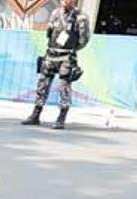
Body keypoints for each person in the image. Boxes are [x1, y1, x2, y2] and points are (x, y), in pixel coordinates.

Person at [21, 0, 90, 130]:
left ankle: (61, 117)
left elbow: (84, 39)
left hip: (66, 56)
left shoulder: (81, 17)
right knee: (42, 84)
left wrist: (71, 48)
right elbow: (49, 33)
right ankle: (36, 115)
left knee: (64, 87)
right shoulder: (55, 13)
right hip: (51, 54)